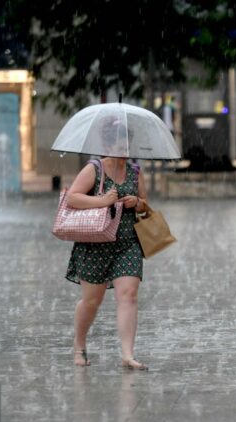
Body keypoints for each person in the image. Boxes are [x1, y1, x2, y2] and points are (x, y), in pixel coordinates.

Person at [65, 116, 149, 370]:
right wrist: (103, 200)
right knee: (92, 300)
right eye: (118, 143)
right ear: (107, 144)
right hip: (95, 243)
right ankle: (79, 346)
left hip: (127, 243)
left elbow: (146, 206)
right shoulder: (94, 169)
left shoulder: (135, 172)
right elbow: (72, 198)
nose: (123, 148)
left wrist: (138, 203)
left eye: (126, 143)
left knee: (129, 294)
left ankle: (127, 354)